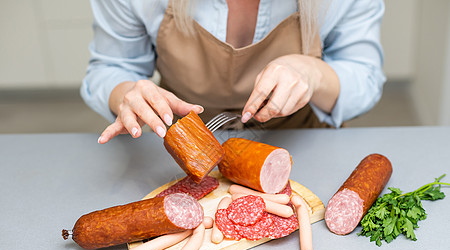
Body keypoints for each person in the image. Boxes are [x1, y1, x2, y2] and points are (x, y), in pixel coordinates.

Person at [81, 0, 386, 144]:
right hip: (181, 150)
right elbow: (111, 67)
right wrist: (127, 95)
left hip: (299, 147)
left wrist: (313, 73)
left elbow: (365, 78)